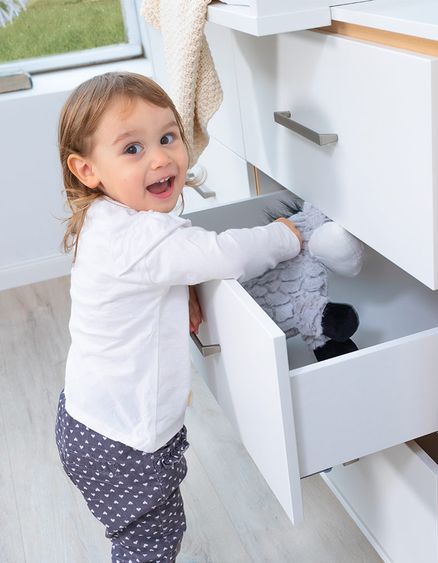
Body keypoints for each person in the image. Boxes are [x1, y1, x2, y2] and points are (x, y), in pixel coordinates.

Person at [54, 71, 302, 563]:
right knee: (149, 545)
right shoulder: (141, 238)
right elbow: (226, 254)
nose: (161, 157)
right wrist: (287, 235)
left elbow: (160, 267)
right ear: (86, 170)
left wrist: (182, 284)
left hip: (88, 421)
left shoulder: (105, 221)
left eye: (167, 137)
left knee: (142, 535)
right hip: (125, 440)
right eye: (132, 149)